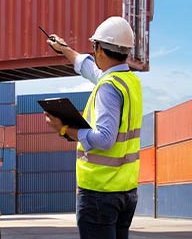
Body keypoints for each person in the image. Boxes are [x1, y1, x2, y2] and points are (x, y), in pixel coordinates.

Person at [43, 16, 143, 239]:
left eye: (94, 47)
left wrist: (64, 129)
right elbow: (92, 70)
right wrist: (65, 49)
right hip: (124, 191)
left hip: (100, 192)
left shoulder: (108, 88)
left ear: (99, 50)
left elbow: (105, 139)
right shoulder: (128, 81)